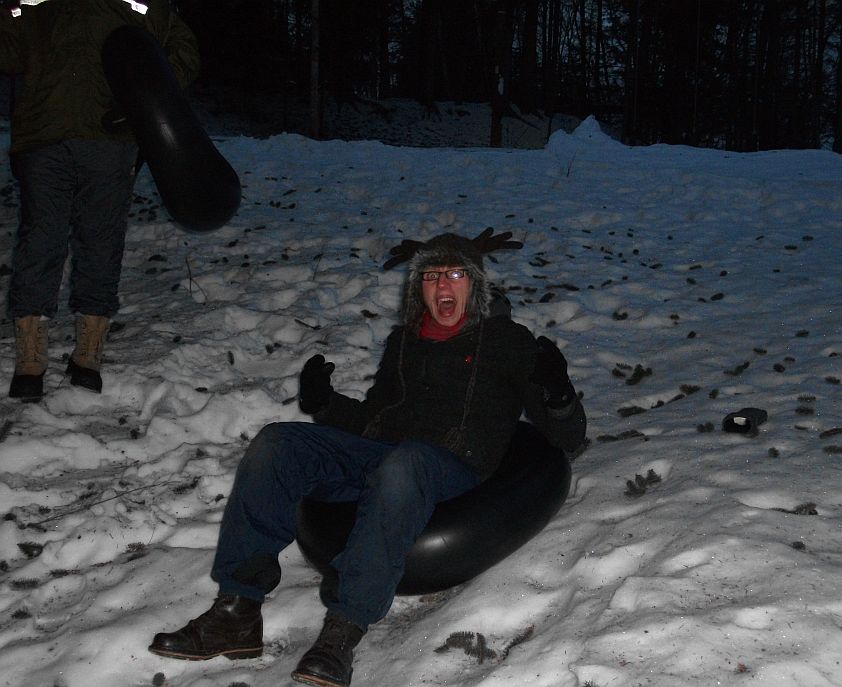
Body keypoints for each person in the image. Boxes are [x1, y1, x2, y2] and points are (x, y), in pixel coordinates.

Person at [148, 231, 588, 687]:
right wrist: (326, 405)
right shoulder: (405, 342)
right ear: (418, 287)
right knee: (276, 443)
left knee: (405, 462)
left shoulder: (509, 342)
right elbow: (374, 421)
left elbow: (568, 436)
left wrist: (557, 391)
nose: (443, 287)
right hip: (386, 456)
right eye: (431, 276)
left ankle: (343, 630)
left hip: (451, 464)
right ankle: (237, 610)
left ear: (474, 284)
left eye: (455, 274)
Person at [0, 0, 199, 400]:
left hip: (110, 141)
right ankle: (30, 353)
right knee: (41, 236)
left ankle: (88, 349)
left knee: (101, 239)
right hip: (43, 134)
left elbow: (183, 52)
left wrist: (143, 101)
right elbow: (8, 54)